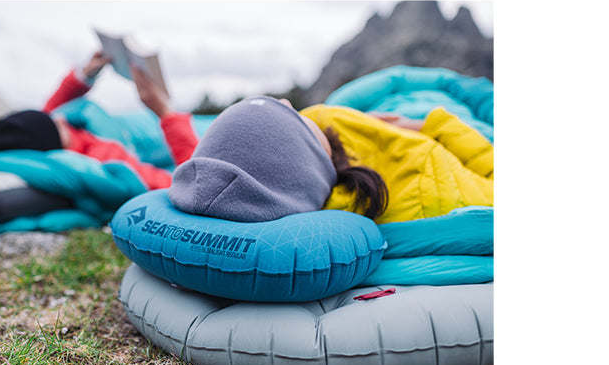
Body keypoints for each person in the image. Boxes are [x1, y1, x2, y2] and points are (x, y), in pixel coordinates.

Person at [167, 94, 493, 225]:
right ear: (312, 154)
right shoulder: (426, 185)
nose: (286, 100)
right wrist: (436, 124)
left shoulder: (320, 136)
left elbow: (220, 172)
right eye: (291, 115)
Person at [0, 51, 199, 190]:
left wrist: (85, 75)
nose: (60, 118)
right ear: (57, 138)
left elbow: (48, 113)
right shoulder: (106, 162)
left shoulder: (53, 136)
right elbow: (192, 184)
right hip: (178, 135)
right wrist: (166, 114)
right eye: (55, 122)